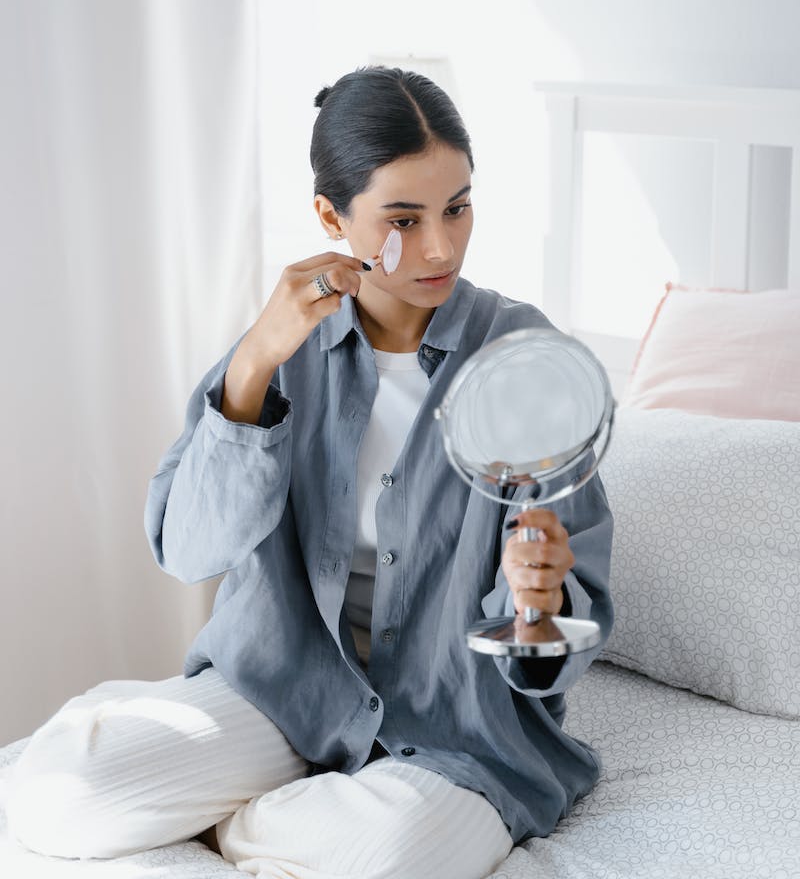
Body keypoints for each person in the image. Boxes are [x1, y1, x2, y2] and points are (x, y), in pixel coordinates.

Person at [6, 66, 613, 879]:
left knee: (392, 855)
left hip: (458, 724)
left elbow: (549, 660)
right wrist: (256, 357)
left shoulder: (524, 359)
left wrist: (537, 604)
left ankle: (252, 822)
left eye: (458, 207)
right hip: (279, 690)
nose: (440, 246)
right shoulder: (285, 351)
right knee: (53, 791)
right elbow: (187, 551)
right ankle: (285, 795)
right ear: (332, 216)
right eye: (404, 218)